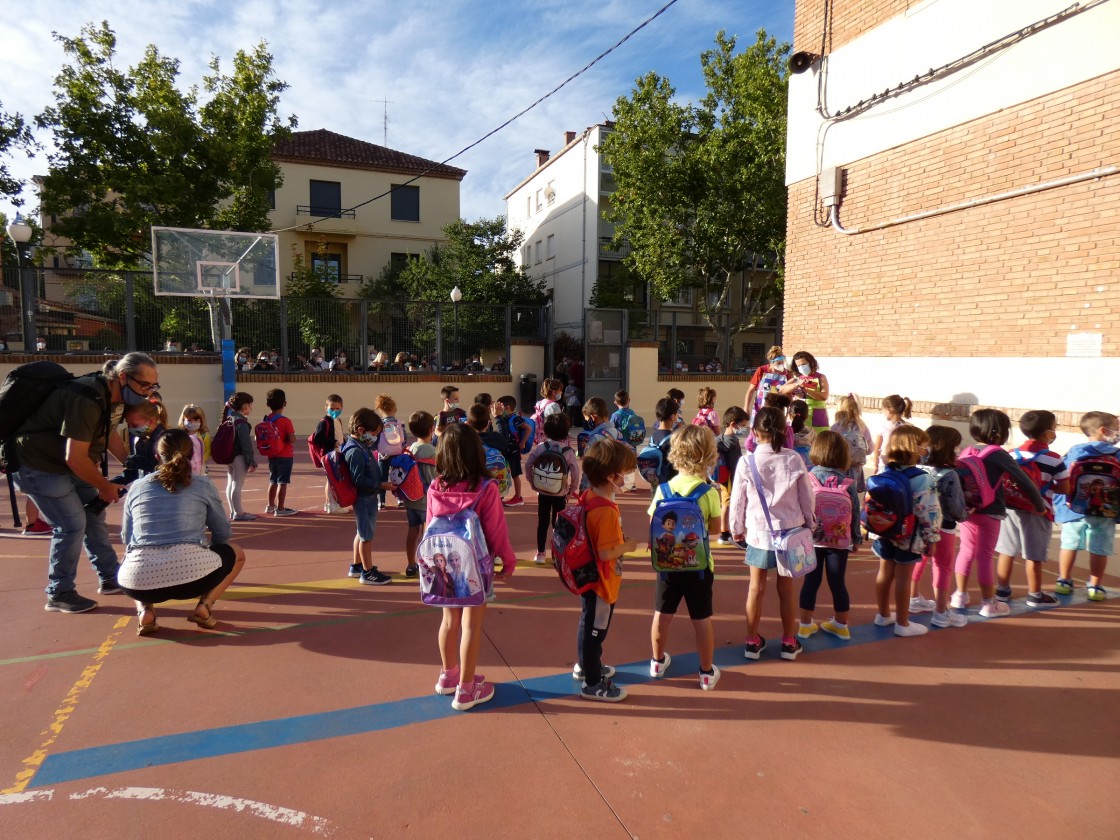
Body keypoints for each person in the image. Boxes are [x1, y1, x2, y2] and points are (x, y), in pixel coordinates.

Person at [12, 352, 159, 613]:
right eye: (144, 385)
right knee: (71, 525)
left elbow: (109, 431)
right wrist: (105, 486)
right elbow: (75, 456)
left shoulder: (114, 399)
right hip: (39, 465)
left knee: (93, 517)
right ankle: (59, 592)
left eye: (153, 386)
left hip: (69, 465)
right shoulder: (87, 397)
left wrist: (130, 462)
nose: (148, 392)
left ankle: (111, 577)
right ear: (123, 377)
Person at [118, 429, 246, 634]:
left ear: (157, 456)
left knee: (131, 555)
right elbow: (222, 532)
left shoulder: (137, 487)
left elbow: (126, 537)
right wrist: (209, 552)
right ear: (192, 455)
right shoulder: (202, 484)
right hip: (193, 578)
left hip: (137, 582)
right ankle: (205, 606)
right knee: (237, 553)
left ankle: (144, 612)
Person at [428, 423, 518, 711]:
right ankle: (467, 690)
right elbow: (496, 532)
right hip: (475, 568)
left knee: (448, 622)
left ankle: (449, 676)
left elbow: (430, 528)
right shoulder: (485, 488)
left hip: (441, 566)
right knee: (471, 625)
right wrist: (508, 559)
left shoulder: (435, 486)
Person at [729, 406, 816, 660]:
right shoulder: (794, 459)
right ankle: (789, 641)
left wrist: (736, 529)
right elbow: (806, 498)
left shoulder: (747, 461)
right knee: (786, 589)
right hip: (790, 532)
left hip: (758, 533)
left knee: (755, 588)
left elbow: (737, 501)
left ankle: (751, 641)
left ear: (755, 432)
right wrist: (810, 523)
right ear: (783, 430)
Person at [647, 426, 722, 690]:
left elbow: (653, 522)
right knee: (701, 619)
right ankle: (705, 672)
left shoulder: (664, 489)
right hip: (698, 567)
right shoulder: (709, 492)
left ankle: (657, 661)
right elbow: (714, 530)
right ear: (709, 456)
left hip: (667, 566)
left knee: (662, 614)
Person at [952, 409, 1045, 616]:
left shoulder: (967, 451)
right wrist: (1039, 505)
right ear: (999, 431)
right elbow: (1023, 480)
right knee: (985, 556)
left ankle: (959, 595)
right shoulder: (998, 454)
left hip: (968, 509)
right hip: (990, 511)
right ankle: (988, 603)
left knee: (966, 551)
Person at [571, 437, 639, 702]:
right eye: (625, 473)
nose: (628, 478)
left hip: (588, 575)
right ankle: (593, 683)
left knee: (587, 623)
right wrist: (628, 546)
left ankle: (586, 665)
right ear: (611, 476)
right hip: (602, 581)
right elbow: (606, 552)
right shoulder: (606, 511)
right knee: (596, 631)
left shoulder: (590, 496)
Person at [993, 411, 1069, 605]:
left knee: (1006, 551)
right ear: (1047, 434)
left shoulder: (1011, 454)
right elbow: (1064, 487)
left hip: (1010, 506)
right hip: (1039, 509)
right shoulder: (1053, 458)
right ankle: (1035, 594)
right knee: (1033, 554)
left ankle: (1002, 591)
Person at [798, 430, 860, 641]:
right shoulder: (847, 482)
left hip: (812, 540)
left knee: (810, 582)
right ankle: (841, 625)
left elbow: (802, 508)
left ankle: (805, 625)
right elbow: (856, 511)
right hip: (838, 542)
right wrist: (855, 539)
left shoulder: (809, 478)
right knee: (838, 582)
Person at [1054, 411, 1119, 601]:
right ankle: (1095, 585)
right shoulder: (1118, 454)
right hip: (1105, 511)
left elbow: (1063, 476)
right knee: (1100, 548)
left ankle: (1064, 581)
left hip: (1074, 509)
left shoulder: (1075, 451)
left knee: (1069, 544)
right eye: (1117, 429)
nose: (1118, 433)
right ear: (1103, 430)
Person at [910, 425, 969, 628]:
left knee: (919, 560)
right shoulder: (949, 475)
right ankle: (941, 612)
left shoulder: (918, 469)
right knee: (943, 567)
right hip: (944, 527)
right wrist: (967, 514)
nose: (958, 452)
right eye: (955, 448)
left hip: (919, 526)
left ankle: (913, 598)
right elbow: (956, 508)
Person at [343, 408, 393, 585]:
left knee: (361, 531)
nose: (375, 437)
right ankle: (367, 572)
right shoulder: (355, 451)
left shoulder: (360, 445)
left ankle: (357, 566)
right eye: (374, 433)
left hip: (368, 497)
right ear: (361, 430)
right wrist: (380, 485)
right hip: (364, 498)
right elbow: (358, 479)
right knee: (366, 536)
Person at [525, 412, 580, 565]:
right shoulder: (568, 452)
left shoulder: (542, 447)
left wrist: (533, 483)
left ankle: (540, 553)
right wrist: (571, 490)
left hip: (542, 492)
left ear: (547, 430)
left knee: (542, 522)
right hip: (560, 493)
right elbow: (575, 472)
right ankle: (557, 553)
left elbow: (529, 464)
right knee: (558, 524)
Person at [402, 411, 438, 578]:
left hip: (411, 499)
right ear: (432, 429)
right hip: (427, 501)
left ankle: (411, 564)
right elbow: (435, 479)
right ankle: (427, 564)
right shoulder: (433, 451)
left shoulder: (409, 449)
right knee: (427, 535)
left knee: (412, 531)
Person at [221, 392, 258, 522]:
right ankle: (239, 513)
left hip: (230, 456)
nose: (251, 408)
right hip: (239, 457)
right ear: (245, 406)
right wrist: (251, 461)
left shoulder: (229, 419)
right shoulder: (241, 422)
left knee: (230, 483)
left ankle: (233, 511)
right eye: (250, 405)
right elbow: (245, 444)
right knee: (238, 485)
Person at [715, 406, 748, 545]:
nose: (743, 428)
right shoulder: (733, 442)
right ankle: (728, 533)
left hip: (723, 476)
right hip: (732, 478)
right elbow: (737, 463)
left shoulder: (720, 439)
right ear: (734, 424)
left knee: (725, 504)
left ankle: (724, 532)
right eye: (743, 425)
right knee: (731, 505)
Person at [262, 389, 298, 517]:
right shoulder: (285, 421)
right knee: (283, 482)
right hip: (285, 455)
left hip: (272, 454)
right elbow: (292, 438)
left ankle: (270, 505)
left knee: (273, 480)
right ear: (285, 403)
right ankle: (281, 508)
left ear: (267, 404)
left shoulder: (266, 419)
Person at [311, 394, 346, 514]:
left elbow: (339, 435)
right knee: (332, 480)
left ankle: (330, 504)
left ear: (342, 407)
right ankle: (332, 505)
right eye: (332, 408)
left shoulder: (338, 420)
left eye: (337, 408)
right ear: (326, 407)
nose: (334, 411)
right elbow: (318, 439)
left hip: (338, 454)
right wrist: (333, 442)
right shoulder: (324, 422)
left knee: (333, 480)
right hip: (329, 455)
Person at [830, 394, 873, 493]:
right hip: (856, 469)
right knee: (852, 495)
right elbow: (870, 449)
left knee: (840, 494)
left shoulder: (835, 428)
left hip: (839, 468)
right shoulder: (862, 427)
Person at [779, 351, 829, 433]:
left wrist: (807, 390)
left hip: (816, 416)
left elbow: (824, 396)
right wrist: (796, 384)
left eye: (803, 364)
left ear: (811, 362)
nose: (801, 367)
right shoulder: (796, 378)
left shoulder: (820, 377)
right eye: (799, 366)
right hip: (798, 416)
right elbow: (782, 389)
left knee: (818, 441)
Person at [495, 395, 530, 507]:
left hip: (514, 450)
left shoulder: (515, 419)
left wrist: (523, 442)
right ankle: (502, 494)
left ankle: (518, 497)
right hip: (505, 450)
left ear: (508, 408)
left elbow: (528, 428)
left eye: (501, 407)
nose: (499, 410)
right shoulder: (503, 418)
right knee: (504, 472)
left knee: (515, 474)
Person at [869, 395, 912, 475]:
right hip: (884, 466)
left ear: (890, 410)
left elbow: (911, 447)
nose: (884, 413)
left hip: (901, 466)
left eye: (884, 410)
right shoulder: (883, 426)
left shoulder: (908, 427)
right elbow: (877, 448)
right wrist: (875, 465)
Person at [743, 346, 788, 418]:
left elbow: (789, 393)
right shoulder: (762, 370)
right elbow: (750, 390)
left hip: (779, 408)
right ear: (772, 362)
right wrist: (746, 407)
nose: (781, 365)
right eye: (779, 363)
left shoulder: (786, 373)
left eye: (782, 363)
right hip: (761, 407)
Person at [178, 404, 210, 477]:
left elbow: (207, 451)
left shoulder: (204, 435)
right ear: (183, 420)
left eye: (196, 420)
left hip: (200, 466)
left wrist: (199, 460)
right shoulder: (181, 434)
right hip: (184, 466)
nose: (192, 422)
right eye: (189, 420)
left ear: (201, 421)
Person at [531, 378, 564, 445]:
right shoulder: (554, 406)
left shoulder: (539, 403)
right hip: (551, 437)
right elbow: (558, 424)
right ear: (554, 392)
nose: (561, 392)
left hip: (541, 435)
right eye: (560, 390)